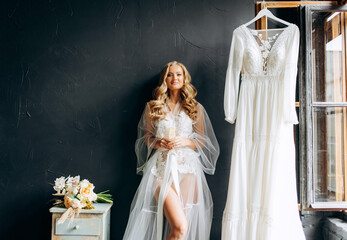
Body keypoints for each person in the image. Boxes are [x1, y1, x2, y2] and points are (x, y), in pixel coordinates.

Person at [123, 61, 220, 240]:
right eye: (170, 74)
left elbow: (201, 141)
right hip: (161, 169)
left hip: (188, 170)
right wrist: (159, 142)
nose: (174, 78)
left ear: (185, 78)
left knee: (184, 229)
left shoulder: (194, 107)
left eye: (179, 74)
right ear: (164, 79)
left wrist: (185, 141)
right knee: (180, 226)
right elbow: (147, 140)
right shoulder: (153, 107)